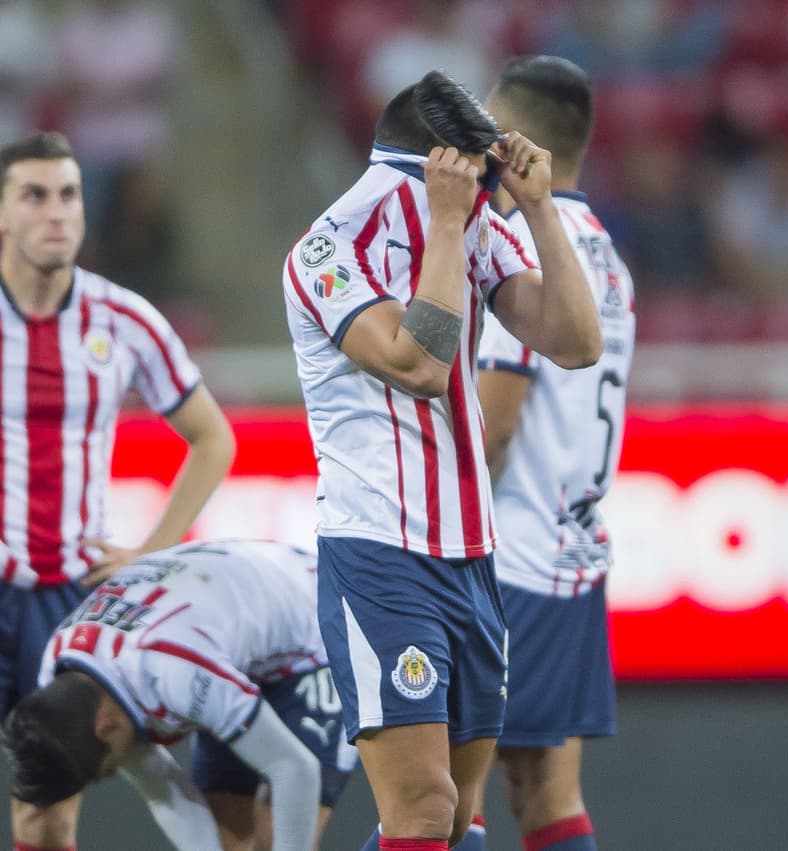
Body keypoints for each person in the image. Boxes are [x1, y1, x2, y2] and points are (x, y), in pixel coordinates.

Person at [281, 70, 602, 851]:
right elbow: (419, 365)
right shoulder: (329, 246)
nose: (489, 185)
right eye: (478, 169)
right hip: (379, 554)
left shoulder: (475, 223)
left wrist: (538, 209)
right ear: (441, 162)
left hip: (471, 554)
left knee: (456, 822)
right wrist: (453, 226)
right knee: (422, 811)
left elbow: (575, 342)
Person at [0, 130, 235, 850]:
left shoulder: (125, 320)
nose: (57, 212)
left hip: (67, 596)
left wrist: (150, 555)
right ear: (3, 212)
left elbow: (213, 438)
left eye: (68, 194)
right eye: (35, 195)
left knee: (48, 810)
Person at [461, 56, 635, 851]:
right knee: (546, 789)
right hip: (573, 548)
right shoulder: (603, 253)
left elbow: (497, 420)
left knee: (446, 791)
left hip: (513, 555)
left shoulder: (524, 243)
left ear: (518, 138)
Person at [1, 539, 358, 851]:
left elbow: (294, 769)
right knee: (224, 838)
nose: (109, 776)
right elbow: (161, 789)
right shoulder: (67, 681)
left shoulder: (173, 673)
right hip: (233, 632)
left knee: (277, 834)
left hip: (318, 625)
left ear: (106, 727)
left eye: (97, 773)